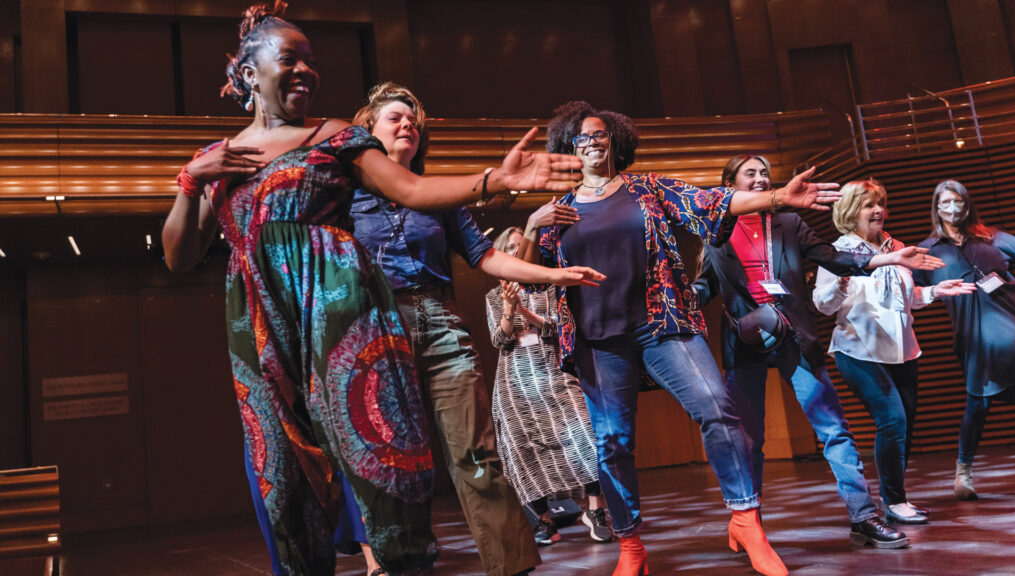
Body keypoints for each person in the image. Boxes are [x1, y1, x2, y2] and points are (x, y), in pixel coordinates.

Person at [160, 4, 594, 574]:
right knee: (282, 466)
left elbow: (411, 190)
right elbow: (179, 256)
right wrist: (192, 182)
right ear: (249, 73)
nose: (306, 71)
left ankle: (408, 564)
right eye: (289, 59)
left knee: (381, 452)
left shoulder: (336, 135)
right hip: (261, 323)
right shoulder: (218, 159)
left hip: (341, 311)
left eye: (311, 62)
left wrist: (495, 181)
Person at [518, 101, 850, 576]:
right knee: (612, 441)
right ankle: (631, 545)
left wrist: (776, 198)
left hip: (662, 324)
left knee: (717, 406)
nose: (591, 143)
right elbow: (532, 279)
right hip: (598, 339)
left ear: (614, 140)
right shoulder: (561, 211)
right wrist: (532, 226)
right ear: (568, 149)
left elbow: (712, 203)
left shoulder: (647, 189)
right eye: (580, 138)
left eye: (599, 134)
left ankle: (746, 520)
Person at [348, 81, 609, 576]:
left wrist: (553, 274)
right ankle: (392, 564)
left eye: (413, 122)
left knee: (476, 452)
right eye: (395, 119)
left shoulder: (443, 197)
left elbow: (487, 257)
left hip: (441, 325)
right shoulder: (345, 200)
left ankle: (511, 566)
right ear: (367, 131)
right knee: (390, 460)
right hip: (375, 332)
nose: (407, 127)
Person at [693, 156, 944, 551]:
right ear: (730, 182)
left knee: (834, 431)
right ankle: (749, 524)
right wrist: (679, 298)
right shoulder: (717, 229)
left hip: (795, 337)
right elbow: (705, 285)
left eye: (765, 173)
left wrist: (888, 258)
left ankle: (864, 518)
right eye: (750, 173)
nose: (760, 179)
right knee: (749, 440)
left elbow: (836, 257)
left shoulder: (789, 223)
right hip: (745, 343)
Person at [812, 179, 974, 524]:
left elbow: (904, 298)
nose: (878, 210)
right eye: (869, 204)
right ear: (850, 211)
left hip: (903, 350)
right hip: (858, 350)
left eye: (881, 203)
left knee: (904, 426)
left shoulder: (897, 246)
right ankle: (895, 502)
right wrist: (841, 281)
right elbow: (822, 305)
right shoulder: (838, 252)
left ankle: (894, 498)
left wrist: (935, 292)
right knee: (892, 420)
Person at [485, 226, 612, 547]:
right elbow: (499, 341)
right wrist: (510, 309)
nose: (517, 253)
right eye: (510, 249)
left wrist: (526, 310)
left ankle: (595, 510)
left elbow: (563, 328)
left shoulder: (551, 288)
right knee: (524, 448)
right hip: (515, 382)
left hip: (555, 372)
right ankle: (542, 519)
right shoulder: (494, 297)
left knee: (585, 436)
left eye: (520, 246)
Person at [913, 179, 1015, 500]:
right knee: (978, 404)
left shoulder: (992, 238)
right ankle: (964, 470)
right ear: (936, 208)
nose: (952, 208)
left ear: (967, 203)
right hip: (974, 339)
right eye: (945, 203)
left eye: (958, 201)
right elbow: (910, 292)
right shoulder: (928, 251)